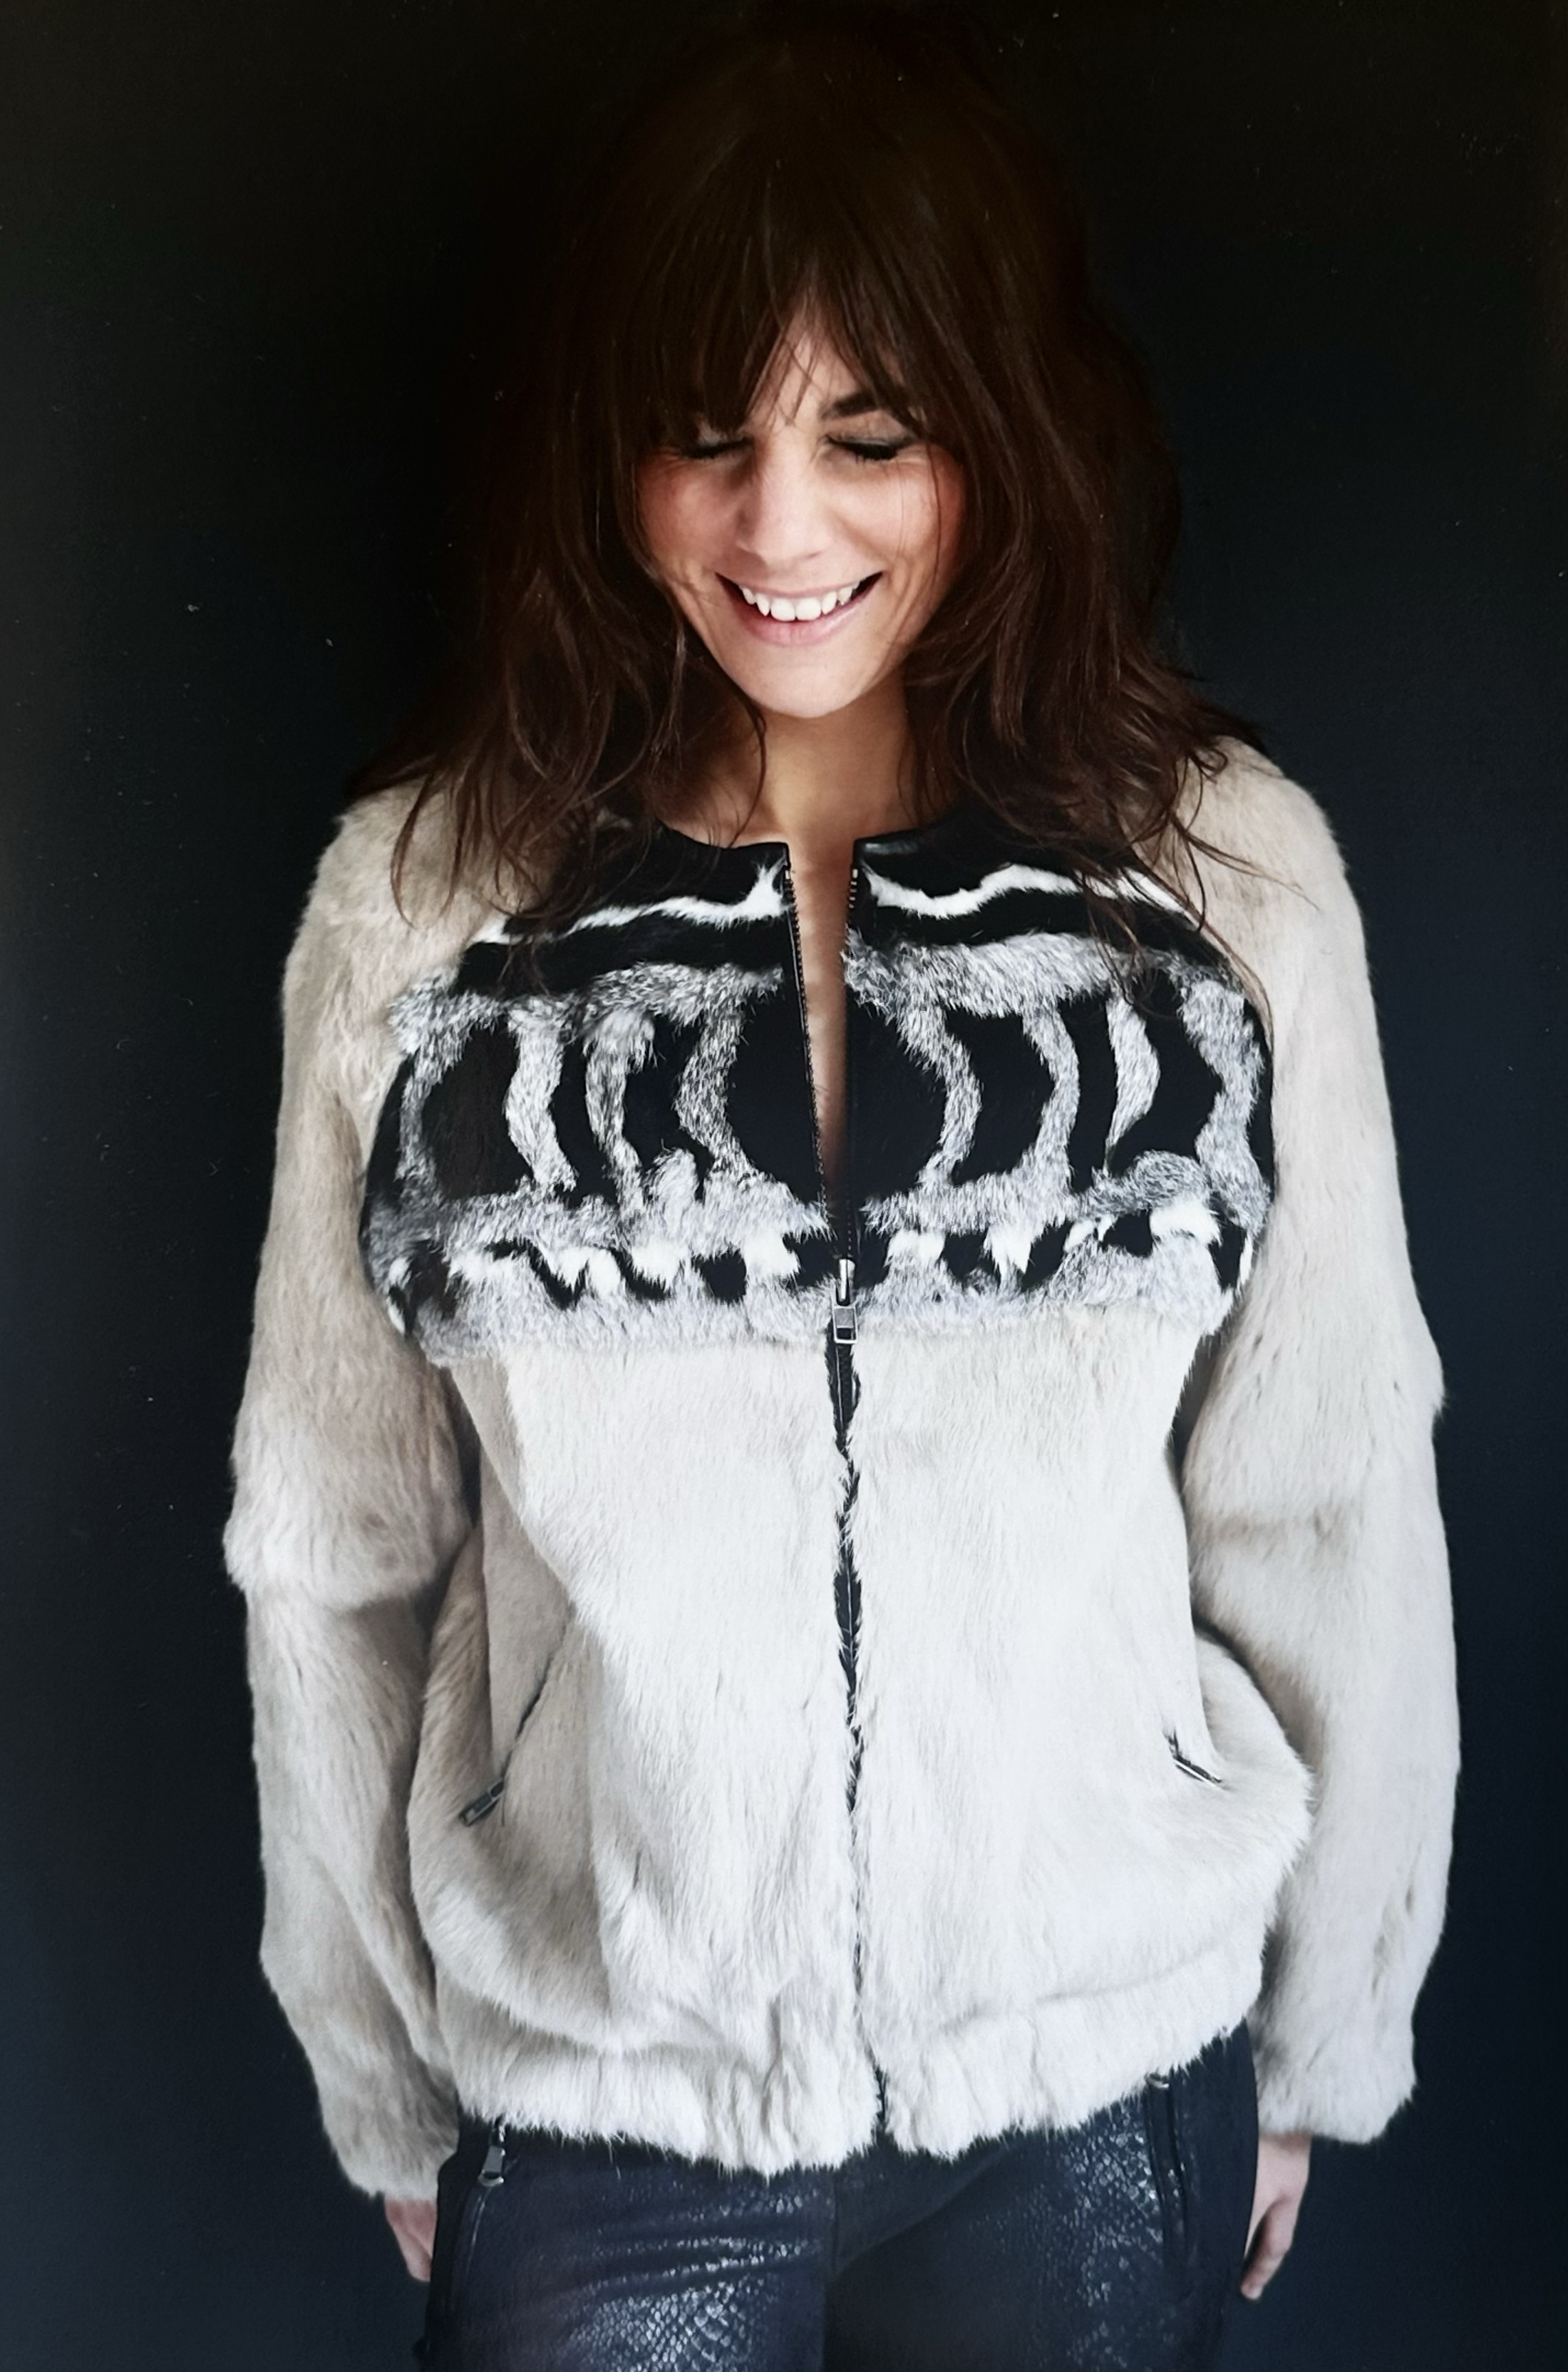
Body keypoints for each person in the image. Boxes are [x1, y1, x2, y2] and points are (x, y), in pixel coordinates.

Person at [223, 9, 1460, 2368]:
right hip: (603, 2090)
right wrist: (381, 2065)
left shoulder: (1217, 896)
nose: (781, 530)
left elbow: (1324, 1495)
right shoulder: (425, 920)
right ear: (616, 458)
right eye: (709, 438)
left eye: (871, 439)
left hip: (1099, 2070)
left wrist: (1324, 2026)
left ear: (1003, 437)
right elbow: (335, 1548)